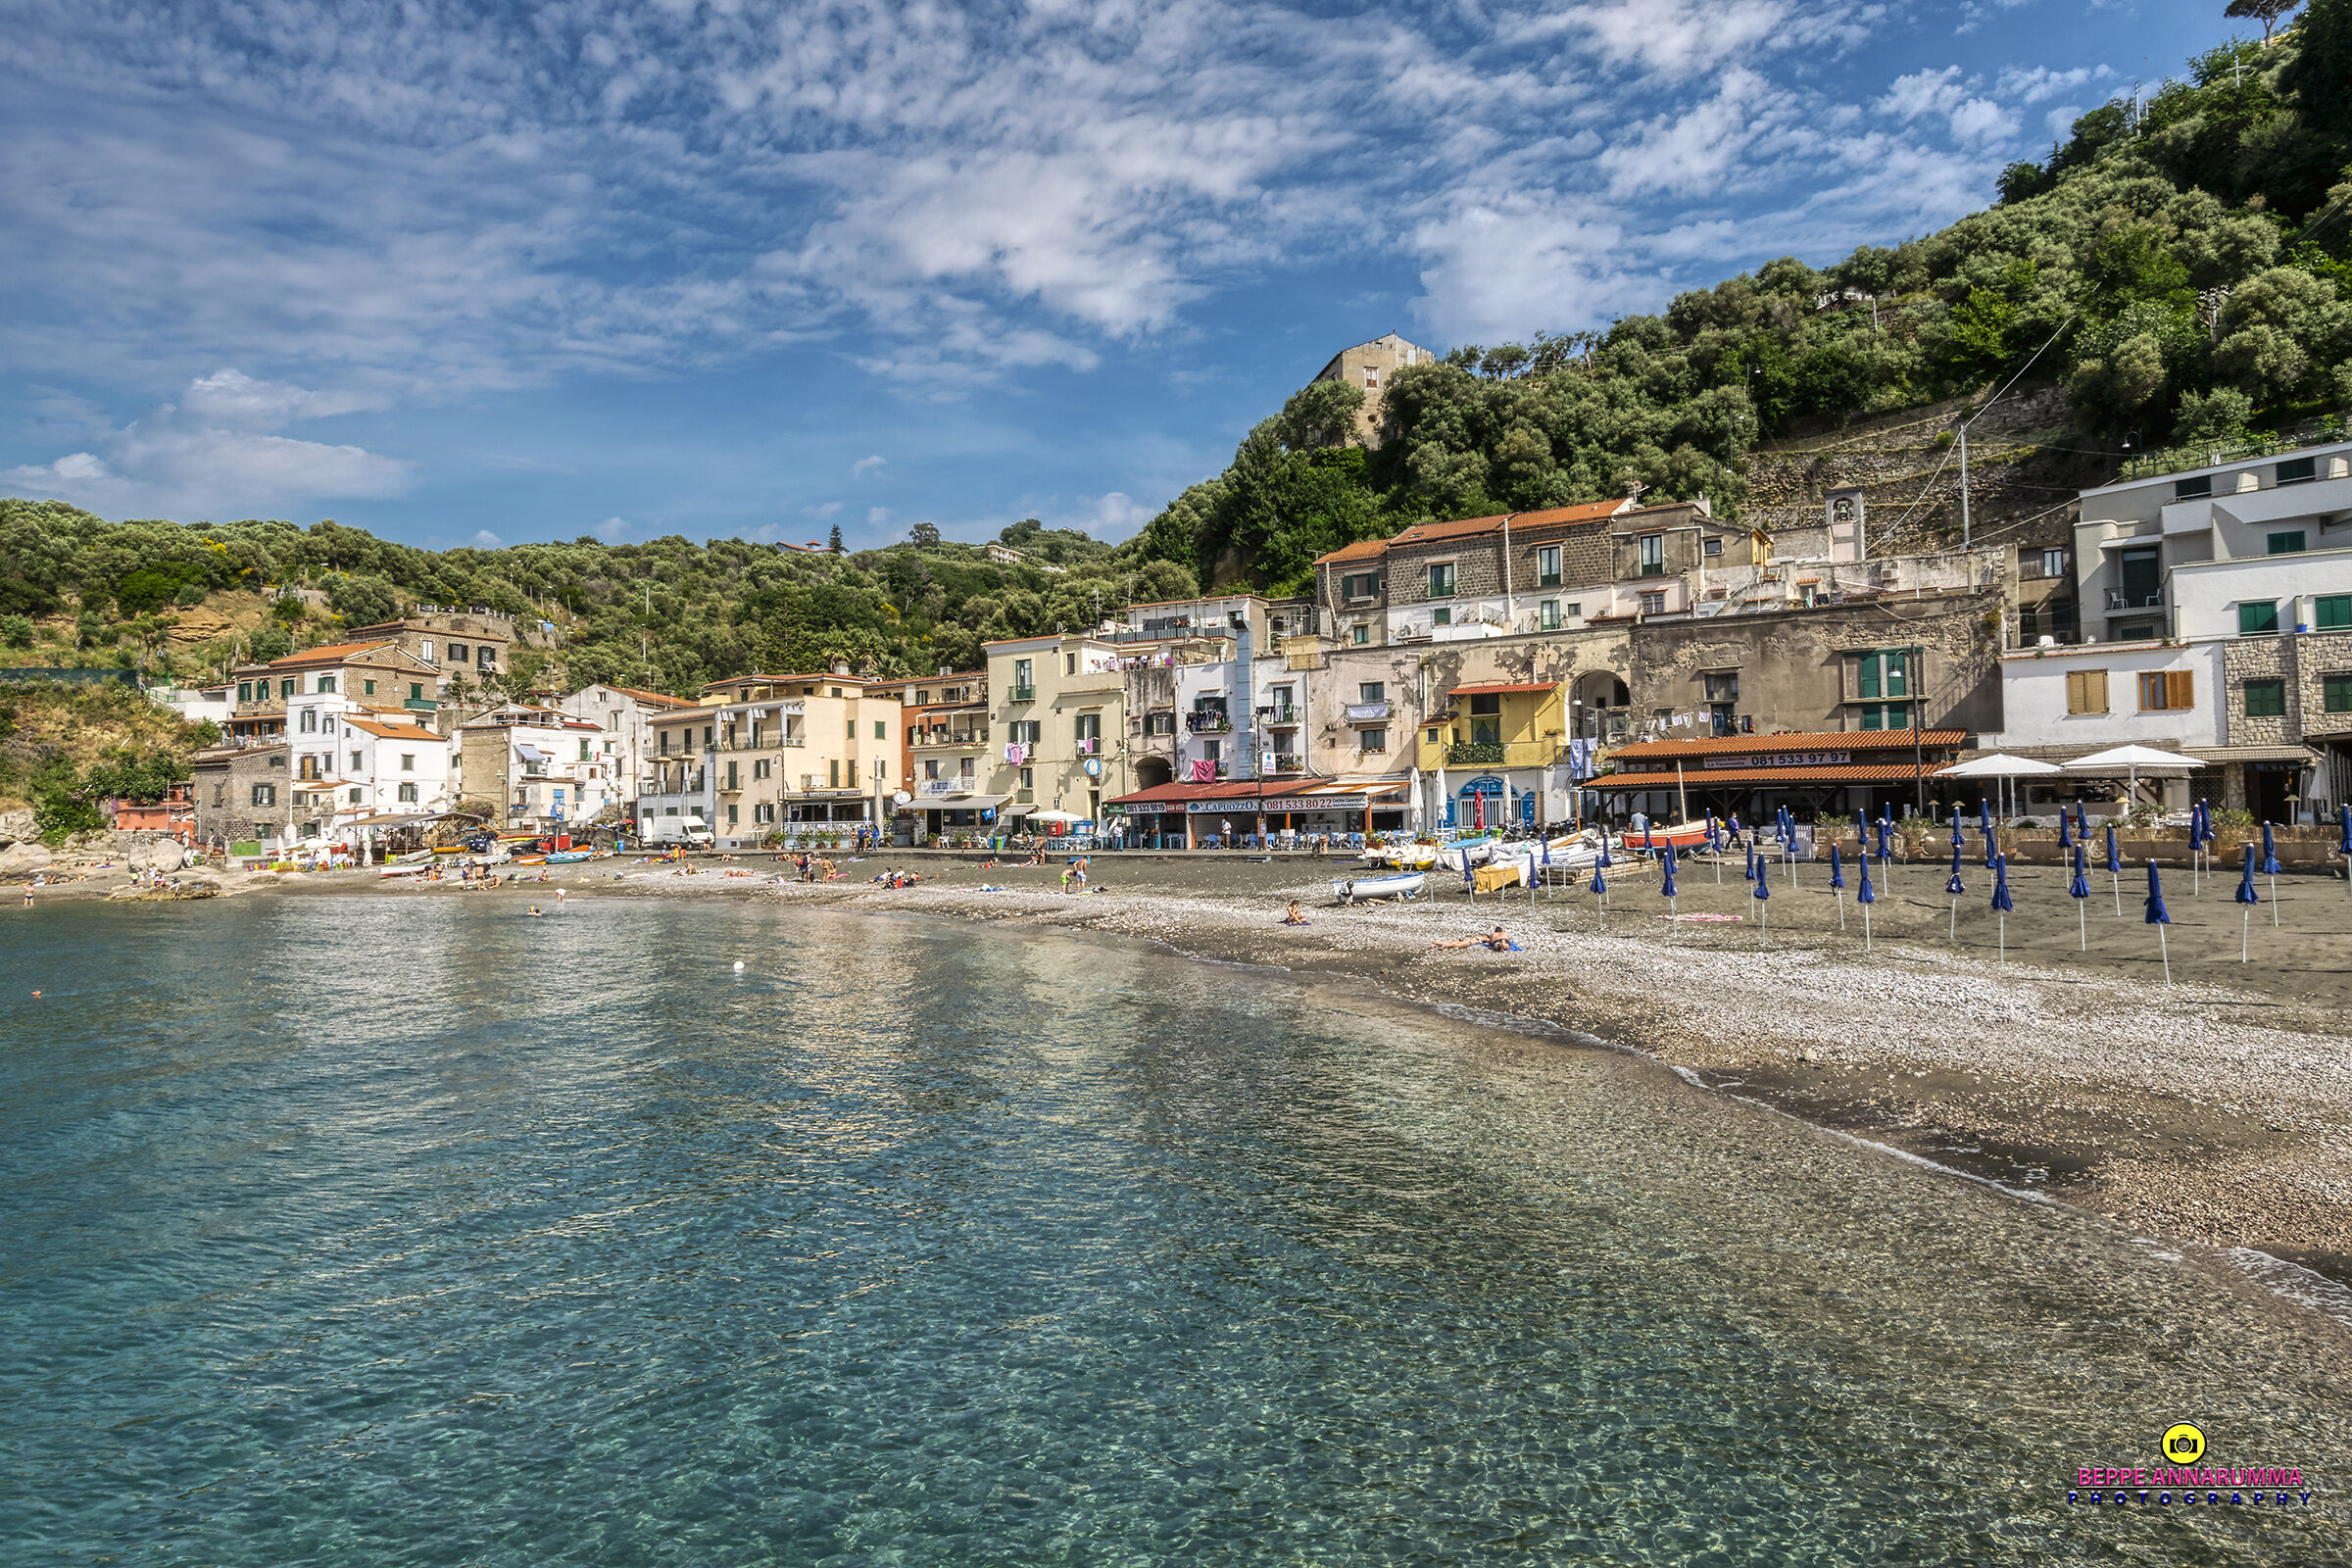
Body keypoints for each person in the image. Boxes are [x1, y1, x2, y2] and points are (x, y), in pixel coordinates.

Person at [1433, 926, 1514, 952]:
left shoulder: (1491, 935)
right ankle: (1444, 945)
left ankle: (1437, 943)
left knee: (1453, 942)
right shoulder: (1504, 934)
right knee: (1455, 945)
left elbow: (1490, 942)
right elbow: (1489, 942)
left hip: (1469, 938)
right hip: (1470, 940)